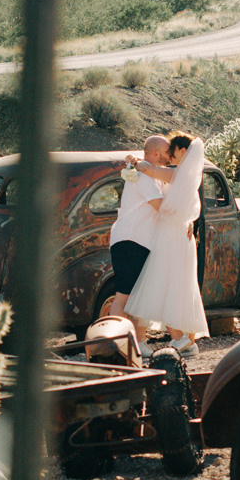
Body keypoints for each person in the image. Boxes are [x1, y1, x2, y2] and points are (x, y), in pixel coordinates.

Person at [125, 131, 208, 357]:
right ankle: (181, 339)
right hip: (176, 233)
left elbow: (151, 170)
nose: (169, 156)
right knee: (173, 283)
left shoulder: (181, 173)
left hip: (172, 234)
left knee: (163, 280)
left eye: (172, 151)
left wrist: (135, 162)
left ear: (183, 152)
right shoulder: (185, 174)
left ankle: (176, 338)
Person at [101, 134, 176, 348]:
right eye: (165, 153)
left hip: (138, 241)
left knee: (135, 295)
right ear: (154, 153)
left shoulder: (148, 175)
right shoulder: (143, 178)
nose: (168, 157)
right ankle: (114, 343)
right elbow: (161, 207)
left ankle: (137, 342)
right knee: (124, 295)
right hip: (130, 240)